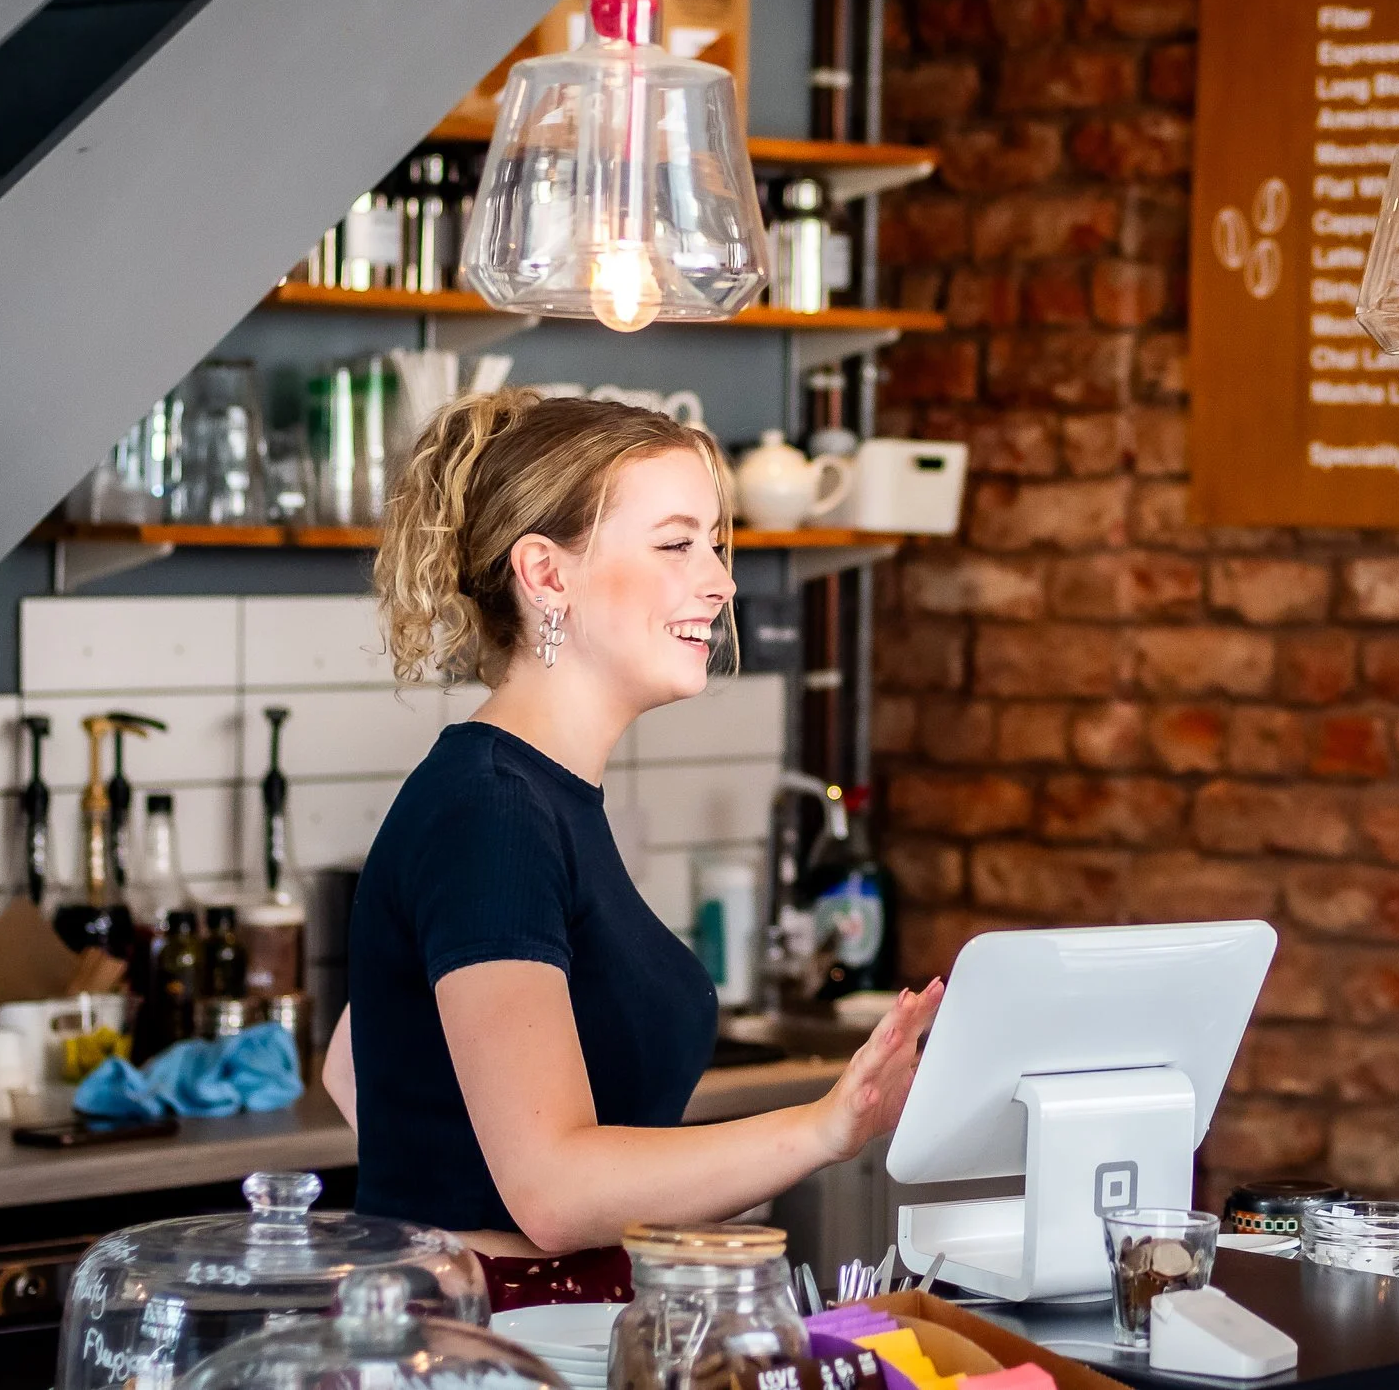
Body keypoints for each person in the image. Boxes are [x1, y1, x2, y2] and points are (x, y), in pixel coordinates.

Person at [319, 391, 942, 1308]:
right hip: (494, 1343)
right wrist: (824, 1126)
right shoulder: (494, 811)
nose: (721, 582)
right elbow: (556, 1193)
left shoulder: (532, 795)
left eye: (717, 544)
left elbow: (358, 1057)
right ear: (546, 574)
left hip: (524, 1318)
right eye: (677, 543)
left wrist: (459, 1197)